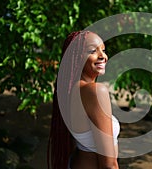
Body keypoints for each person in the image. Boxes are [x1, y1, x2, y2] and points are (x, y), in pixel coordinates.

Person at [48, 30, 120, 169]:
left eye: (103, 50)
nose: (103, 56)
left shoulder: (70, 91)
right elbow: (109, 165)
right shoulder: (95, 91)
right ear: (76, 57)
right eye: (93, 51)